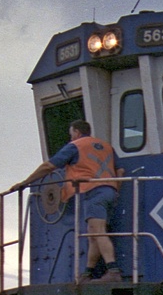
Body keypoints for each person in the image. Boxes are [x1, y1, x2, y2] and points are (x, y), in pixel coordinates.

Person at [12, 119, 123, 282]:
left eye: (71, 135)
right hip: (109, 191)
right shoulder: (107, 147)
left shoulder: (76, 146)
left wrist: (25, 182)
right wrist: (116, 189)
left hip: (92, 192)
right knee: (93, 234)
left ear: (77, 133)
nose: (71, 138)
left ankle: (113, 271)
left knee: (98, 231)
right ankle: (88, 273)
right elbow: (120, 169)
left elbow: (49, 166)